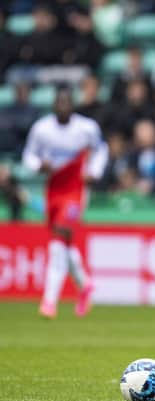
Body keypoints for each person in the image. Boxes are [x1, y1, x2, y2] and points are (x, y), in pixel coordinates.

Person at [22, 86, 108, 319]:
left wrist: (94, 171)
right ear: (54, 106)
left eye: (67, 103)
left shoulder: (86, 128)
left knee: (59, 237)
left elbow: (101, 150)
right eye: (59, 103)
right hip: (53, 189)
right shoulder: (42, 129)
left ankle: (49, 302)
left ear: (73, 105)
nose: (63, 107)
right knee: (65, 243)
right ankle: (85, 284)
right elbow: (29, 155)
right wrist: (39, 165)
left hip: (76, 190)